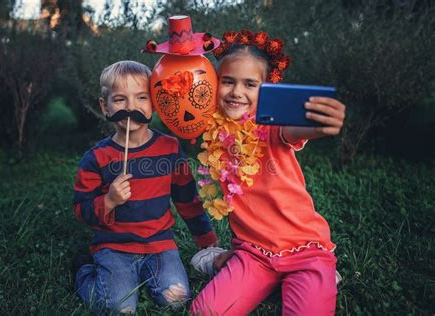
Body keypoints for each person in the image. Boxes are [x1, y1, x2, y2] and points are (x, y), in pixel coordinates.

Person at [190, 30, 346, 315]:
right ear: (215, 84)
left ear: (266, 89)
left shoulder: (272, 128)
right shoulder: (215, 133)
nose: (237, 92)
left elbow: (296, 130)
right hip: (253, 254)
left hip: (304, 251)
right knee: (205, 312)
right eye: (228, 81)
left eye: (250, 84)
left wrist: (321, 124)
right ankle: (226, 262)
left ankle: (319, 275)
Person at [72, 60, 218, 314]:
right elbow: (80, 209)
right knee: (119, 309)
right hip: (113, 247)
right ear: (104, 106)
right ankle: (84, 271)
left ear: (155, 103)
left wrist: (207, 241)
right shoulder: (96, 157)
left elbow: (187, 200)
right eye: (120, 100)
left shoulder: (170, 149)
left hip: (160, 245)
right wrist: (108, 201)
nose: (131, 108)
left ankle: (145, 277)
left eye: (142, 97)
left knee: (177, 298)